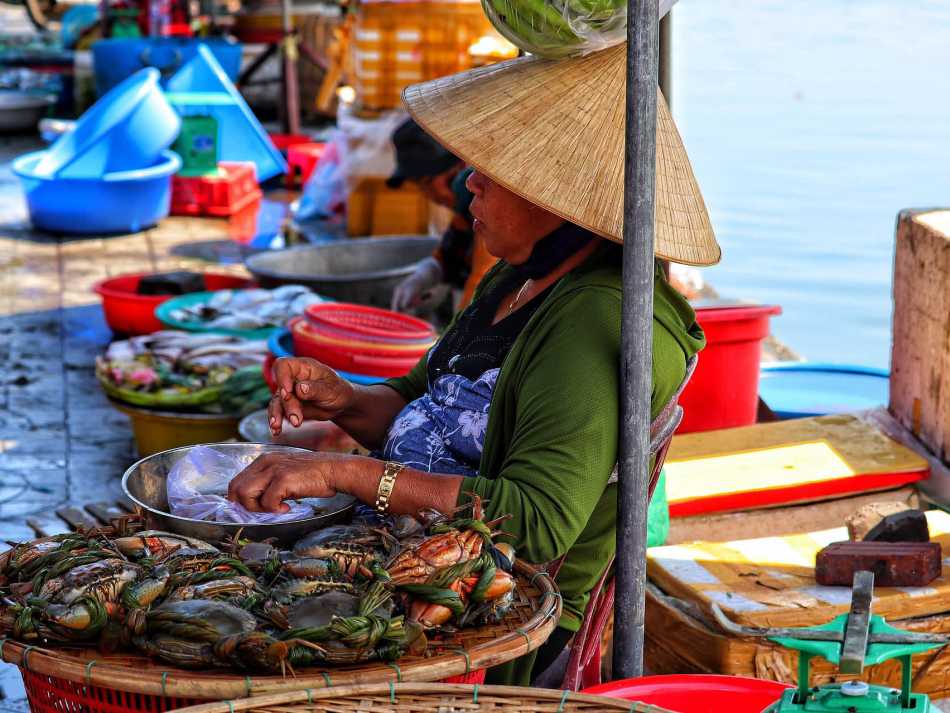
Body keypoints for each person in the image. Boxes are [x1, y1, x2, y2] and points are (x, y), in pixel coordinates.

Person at [228, 43, 720, 685]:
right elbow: (421, 404)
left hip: (499, 614)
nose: (469, 183)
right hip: (405, 553)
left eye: (491, 168)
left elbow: (535, 523)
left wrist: (345, 473)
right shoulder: (517, 278)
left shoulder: (592, 322)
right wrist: (343, 399)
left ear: (559, 198)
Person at [386, 118, 497, 312]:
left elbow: (483, 278)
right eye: (420, 187)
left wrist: (454, 336)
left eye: (428, 183)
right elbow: (452, 249)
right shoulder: (465, 207)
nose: (430, 196)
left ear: (460, 167)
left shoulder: (493, 205)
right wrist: (427, 272)